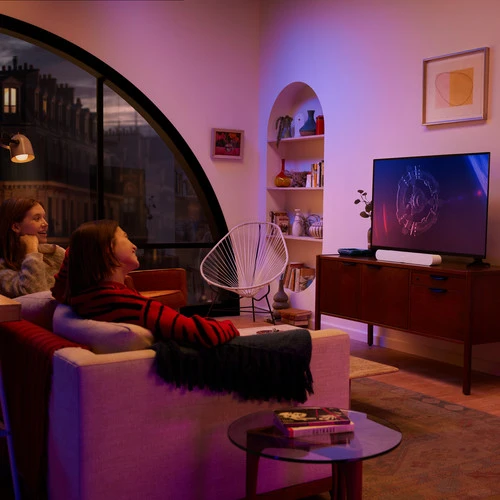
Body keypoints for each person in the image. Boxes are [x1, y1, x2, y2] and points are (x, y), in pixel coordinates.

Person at [52, 219, 239, 348]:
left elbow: (58, 289)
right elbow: (205, 333)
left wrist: (80, 248)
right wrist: (231, 327)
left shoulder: (83, 296)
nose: (134, 245)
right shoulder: (125, 303)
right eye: (125, 237)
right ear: (107, 248)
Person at [0, 197, 65, 298]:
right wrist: (32, 252)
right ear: (16, 227)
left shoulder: (55, 252)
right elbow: (36, 296)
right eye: (37, 218)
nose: (45, 224)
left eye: (44, 217)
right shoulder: (3, 268)